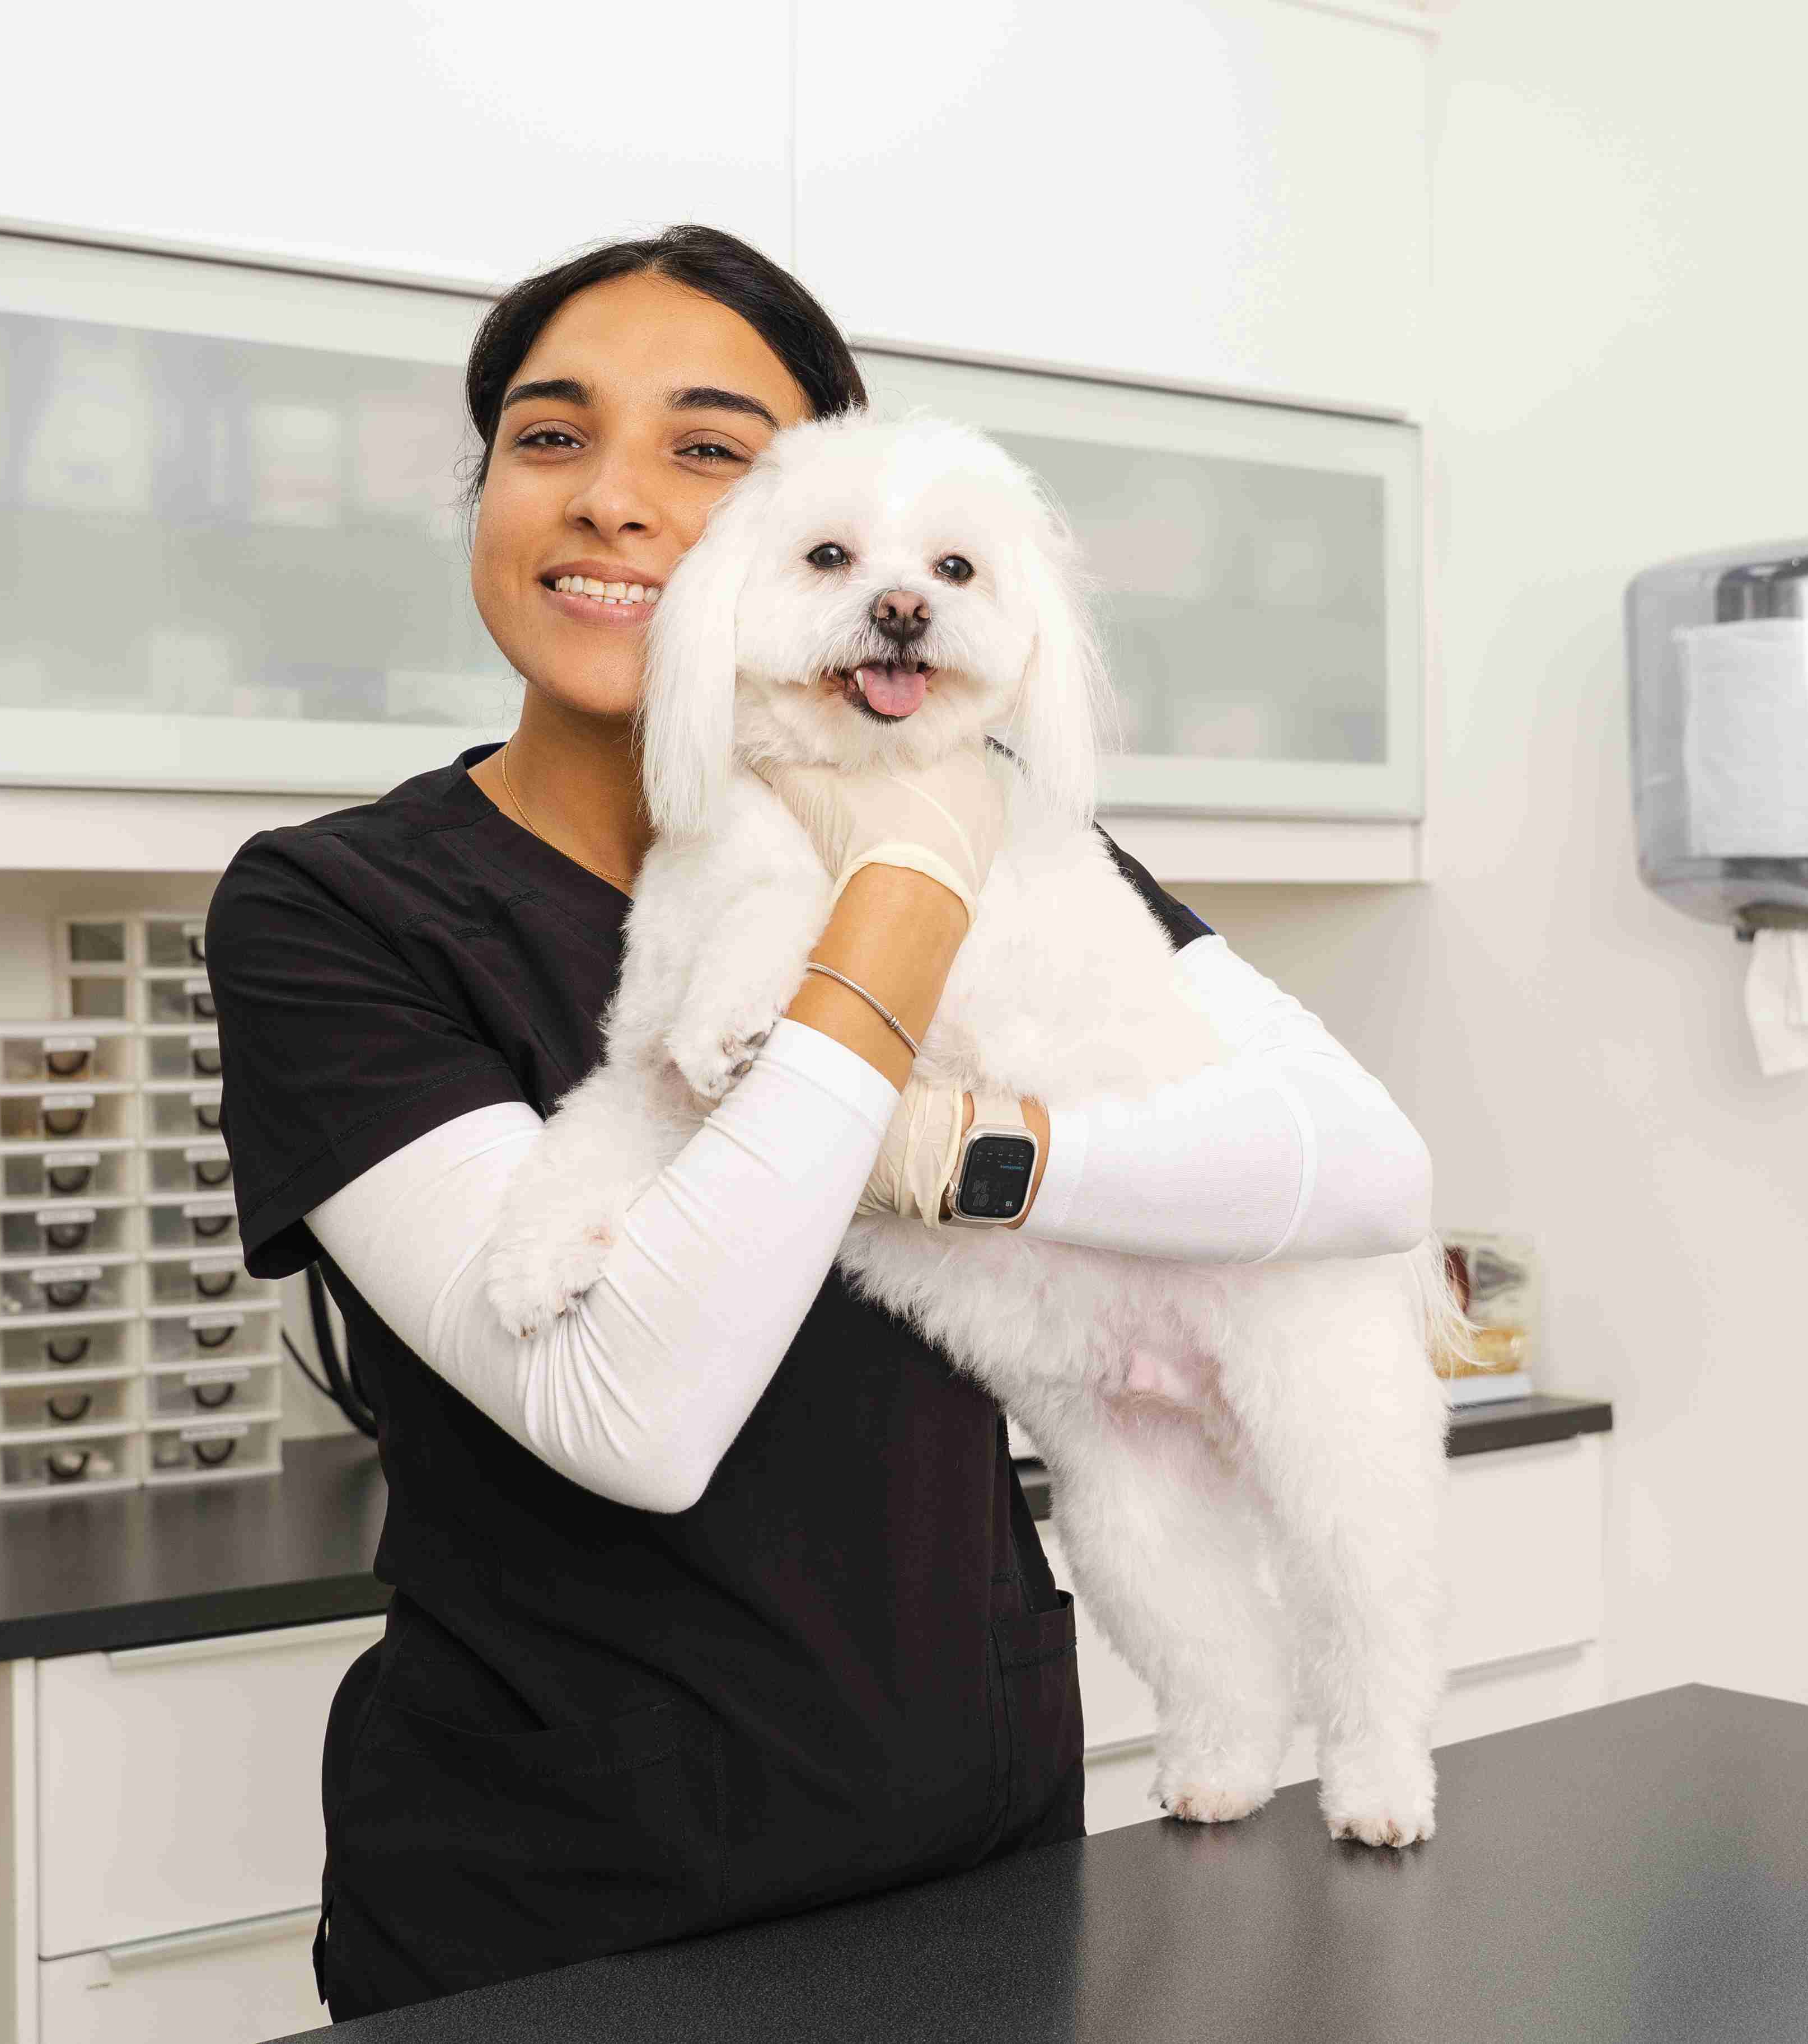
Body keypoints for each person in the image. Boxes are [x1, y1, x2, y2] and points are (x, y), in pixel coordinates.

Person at [203, 225, 1436, 2020]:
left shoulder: (1006, 823)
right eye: (549, 438)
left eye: (707, 450)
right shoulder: (340, 912)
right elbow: (631, 1413)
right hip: (551, 1909)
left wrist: (974, 1152)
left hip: (982, 1864)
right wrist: (896, 912)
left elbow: (1364, 1169)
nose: (616, 500)